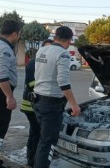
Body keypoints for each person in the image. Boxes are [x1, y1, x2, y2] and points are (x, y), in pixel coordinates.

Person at [33, 26, 81, 168]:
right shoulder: (63, 54)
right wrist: (74, 104)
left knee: (42, 142)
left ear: (55, 37)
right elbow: (63, 82)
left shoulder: (41, 50)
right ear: (69, 40)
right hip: (51, 105)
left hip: (37, 101)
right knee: (48, 145)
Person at [21, 39, 53, 167]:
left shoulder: (44, 62)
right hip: (31, 105)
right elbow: (32, 83)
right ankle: (32, 161)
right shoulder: (34, 62)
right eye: (47, 48)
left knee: (35, 133)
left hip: (36, 105)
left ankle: (33, 160)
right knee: (36, 133)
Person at [0, 20, 21, 164]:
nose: (19, 37)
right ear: (14, 33)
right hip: (2, 93)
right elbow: (2, 76)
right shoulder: (5, 49)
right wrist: (9, 96)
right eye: (19, 34)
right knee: (2, 124)